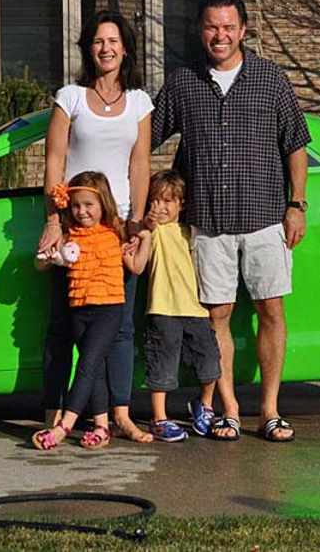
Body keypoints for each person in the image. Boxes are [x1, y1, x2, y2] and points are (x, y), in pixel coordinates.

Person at [151, 0, 311, 442]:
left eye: (228, 27)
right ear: (200, 31)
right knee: (216, 315)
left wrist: (296, 205)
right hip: (207, 220)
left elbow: (295, 145)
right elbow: (146, 135)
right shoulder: (182, 83)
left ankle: (272, 411)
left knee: (270, 310)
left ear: (243, 30)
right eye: (210, 27)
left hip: (264, 217)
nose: (219, 36)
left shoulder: (270, 79)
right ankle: (229, 410)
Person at [37, 10, 154, 443]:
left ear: (125, 48)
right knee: (64, 325)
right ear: (89, 48)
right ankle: (55, 411)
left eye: (114, 41)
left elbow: (140, 164)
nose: (106, 48)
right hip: (75, 227)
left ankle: (118, 415)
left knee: (120, 326)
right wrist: (54, 217)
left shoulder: (140, 102)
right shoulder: (69, 97)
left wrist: (137, 220)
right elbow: (55, 160)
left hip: (117, 227)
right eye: (98, 41)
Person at [32, 171, 151, 450]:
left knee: (86, 365)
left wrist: (145, 239)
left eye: (88, 205)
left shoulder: (117, 231)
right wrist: (48, 257)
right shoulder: (67, 233)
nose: (82, 211)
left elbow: (136, 267)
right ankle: (101, 426)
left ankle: (64, 427)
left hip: (109, 309)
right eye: (75, 205)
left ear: (103, 204)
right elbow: (40, 265)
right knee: (93, 367)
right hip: (79, 308)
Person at [142, 170, 221, 442]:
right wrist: (147, 225)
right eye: (155, 201)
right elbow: (143, 243)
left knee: (209, 359)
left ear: (181, 204)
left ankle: (206, 405)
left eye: (167, 201)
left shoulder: (191, 232)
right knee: (162, 364)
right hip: (163, 307)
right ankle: (159, 417)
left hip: (196, 308)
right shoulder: (152, 232)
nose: (160, 207)